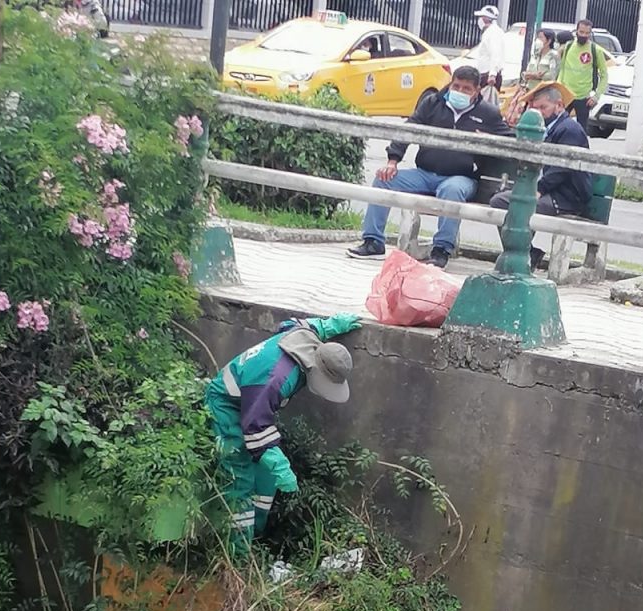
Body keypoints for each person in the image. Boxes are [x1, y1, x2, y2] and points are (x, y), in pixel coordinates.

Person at [205, 314, 360, 553]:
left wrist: (334, 324)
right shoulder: (275, 380)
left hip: (251, 405)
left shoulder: (306, 342)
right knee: (241, 479)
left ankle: (256, 538)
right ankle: (239, 556)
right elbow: (255, 426)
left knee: (266, 478)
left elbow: (304, 325)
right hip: (226, 406)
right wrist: (280, 465)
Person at [346, 66, 513, 269]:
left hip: (461, 178)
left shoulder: (488, 114)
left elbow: (511, 141)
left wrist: (488, 140)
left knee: (451, 190)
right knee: (384, 179)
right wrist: (393, 160)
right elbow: (409, 129)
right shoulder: (433, 103)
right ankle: (373, 241)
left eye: (466, 89)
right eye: (456, 86)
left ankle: (441, 249)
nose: (460, 92)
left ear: (477, 90)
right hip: (424, 173)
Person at [490, 82, 593, 270]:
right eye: (534, 109)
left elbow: (563, 167)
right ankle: (526, 251)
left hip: (566, 196)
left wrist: (539, 189)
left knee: (518, 205)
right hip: (546, 191)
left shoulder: (569, 129)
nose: (538, 113)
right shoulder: (546, 129)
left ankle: (522, 253)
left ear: (559, 105)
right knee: (499, 201)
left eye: (543, 108)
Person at [557, 19, 609, 130]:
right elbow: (562, 70)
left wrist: (596, 96)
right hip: (566, 94)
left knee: (581, 130)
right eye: (581, 32)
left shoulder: (596, 50)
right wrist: (559, 89)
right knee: (558, 125)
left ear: (590, 34)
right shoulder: (568, 46)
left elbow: (604, 75)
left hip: (583, 97)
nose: (584, 35)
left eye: (587, 33)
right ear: (576, 31)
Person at [474, 4, 505, 91]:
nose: (479, 20)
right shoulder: (489, 32)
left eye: (481, 17)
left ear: (486, 18)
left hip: (488, 76)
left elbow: (495, 54)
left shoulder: (493, 32)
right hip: (484, 74)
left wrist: (492, 74)